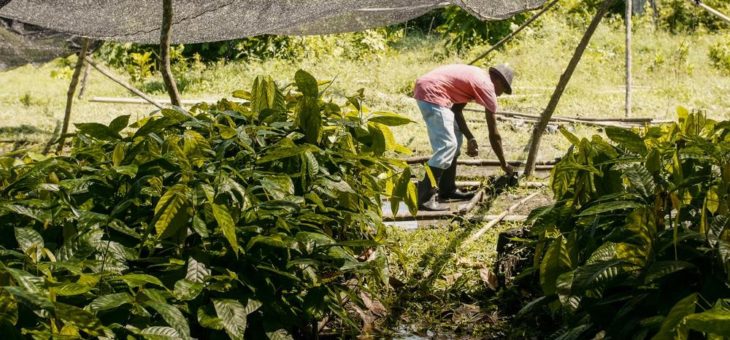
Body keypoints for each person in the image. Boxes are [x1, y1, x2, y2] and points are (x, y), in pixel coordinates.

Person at [413, 63, 515, 211]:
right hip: (433, 93)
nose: (500, 94)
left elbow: (456, 110)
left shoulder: (477, 79)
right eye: (504, 89)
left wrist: (470, 137)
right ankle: (424, 197)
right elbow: (494, 134)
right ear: (499, 80)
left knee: (456, 140)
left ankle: (447, 189)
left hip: (430, 89)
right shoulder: (487, 87)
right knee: (447, 146)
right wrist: (504, 163)